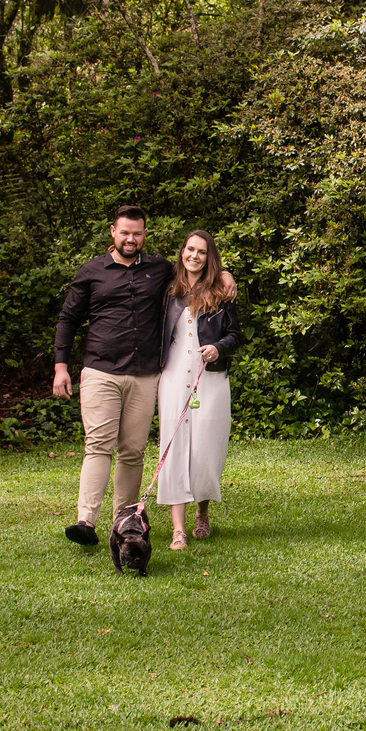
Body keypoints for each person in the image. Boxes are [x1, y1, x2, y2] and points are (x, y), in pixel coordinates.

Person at [53, 207, 233, 546]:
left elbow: (196, 270)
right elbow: (68, 319)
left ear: (144, 234)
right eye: (124, 232)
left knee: (133, 451)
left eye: (137, 233)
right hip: (101, 370)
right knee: (98, 445)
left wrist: (224, 274)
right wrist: (61, 366)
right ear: (112, 232)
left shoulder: (158, 269)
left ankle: (125, 523)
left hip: (144, 375)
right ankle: (86, 520)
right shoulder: (91, 271)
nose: (130, 239)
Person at [157, 230, 242, 550]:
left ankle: (202, 512)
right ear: (182, 252)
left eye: (202, 252)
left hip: (212, 379)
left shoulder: (221, 292)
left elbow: (235, 334)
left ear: (209, 257)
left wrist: (219, 348)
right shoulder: (167, 289)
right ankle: (178, 529)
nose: (194, 256)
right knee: (174, 448)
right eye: (190, 249)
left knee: (206, 448)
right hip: (173, 377)